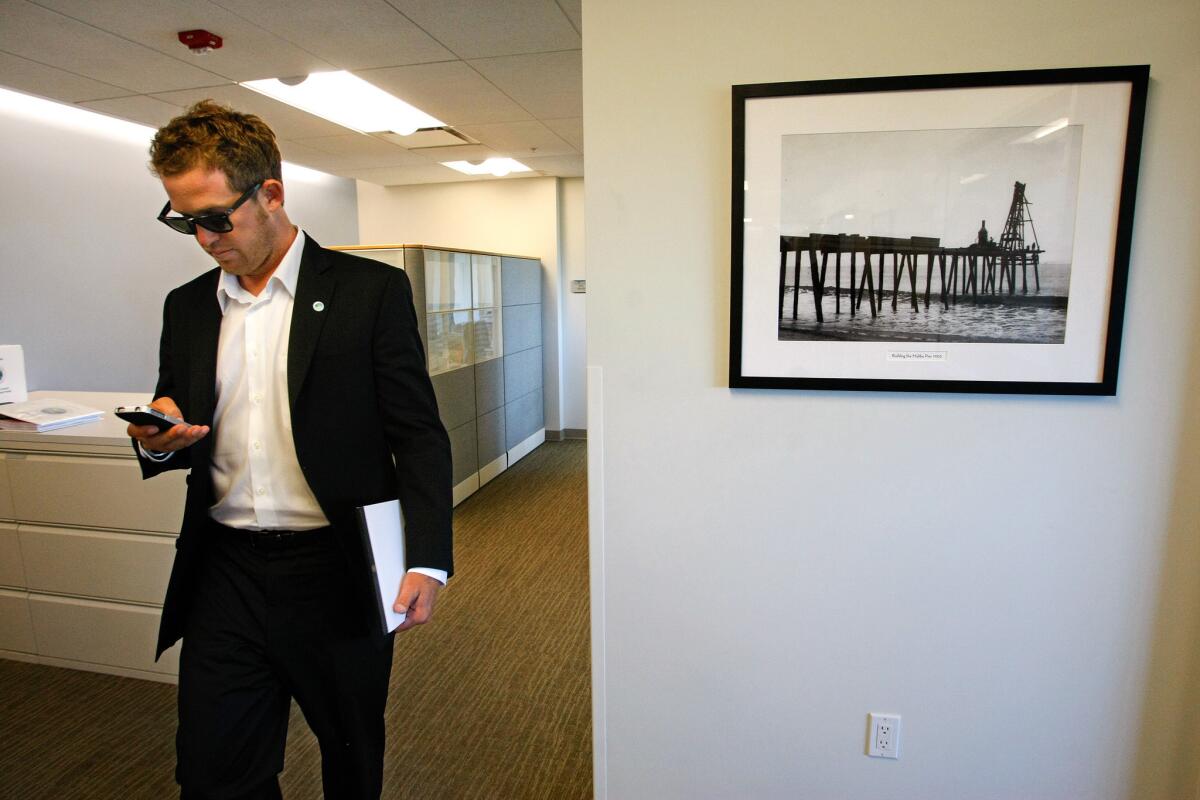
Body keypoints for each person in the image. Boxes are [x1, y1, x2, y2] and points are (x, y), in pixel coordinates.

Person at [127, 100, 453, 800]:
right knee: (215, 771)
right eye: (185, 221)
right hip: (225, 571)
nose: (204, 238)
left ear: (270, 193)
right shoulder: (187, 306)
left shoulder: (369, 293)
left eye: (217, 217)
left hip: (334, 569)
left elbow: (417, 434)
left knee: (350, 756)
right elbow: (173, 415)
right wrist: (159, 439)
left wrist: (428, 557)